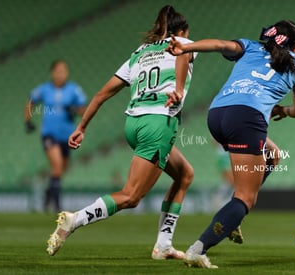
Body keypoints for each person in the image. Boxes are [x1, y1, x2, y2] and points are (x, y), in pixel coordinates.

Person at [46, 5, 197, 260]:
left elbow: (101, 94)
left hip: (133, 125)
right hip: (158, 123)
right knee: (131, 196)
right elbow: (183, 55)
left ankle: (163, 246)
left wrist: (81, 127)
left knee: (184, 174)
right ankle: (74, 220)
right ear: (180, 31)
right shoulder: (181, 42)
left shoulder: (139, 53)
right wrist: (179, 88)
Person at [167, 20, 295, 268]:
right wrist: (285, 111)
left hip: (217, 115)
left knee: (273, 155)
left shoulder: (251, 47)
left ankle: (235, 216)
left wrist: (186, 48)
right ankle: (198, 249)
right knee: (246, 198)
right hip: (246, 119)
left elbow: (220, 44)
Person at [24, 60, 87, 212]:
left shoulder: (74, 90)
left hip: (67, 136)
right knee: (57, 166)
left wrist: (74, 109)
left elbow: (84, 110)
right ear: (52, 73)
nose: (61, 74)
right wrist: (28, 120)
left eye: (64, 71)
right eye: (58, 71)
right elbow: (31, 102)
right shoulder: (44, 89)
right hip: (49, 134)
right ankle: (57, 207)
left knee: (60, 170)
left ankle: (48, 193)